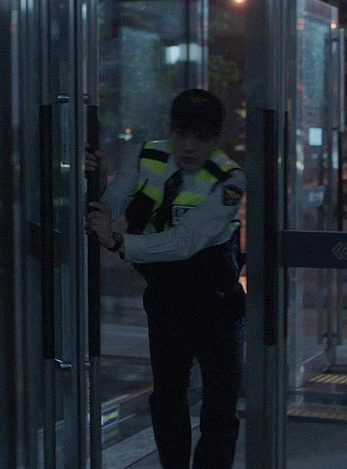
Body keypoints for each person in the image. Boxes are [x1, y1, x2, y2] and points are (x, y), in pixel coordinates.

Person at [84, 88, 246, 468]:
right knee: (168, 398)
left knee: (219, 408)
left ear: (216, 138)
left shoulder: (229, 178)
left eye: (200, 138)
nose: (189, 146)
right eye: (182, 134)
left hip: (217, 304)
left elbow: (185, 241)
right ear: (171, 130)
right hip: (168, 299)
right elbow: (113, 202)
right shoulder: (147, 155)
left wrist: (119, 241)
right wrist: (97, 187)